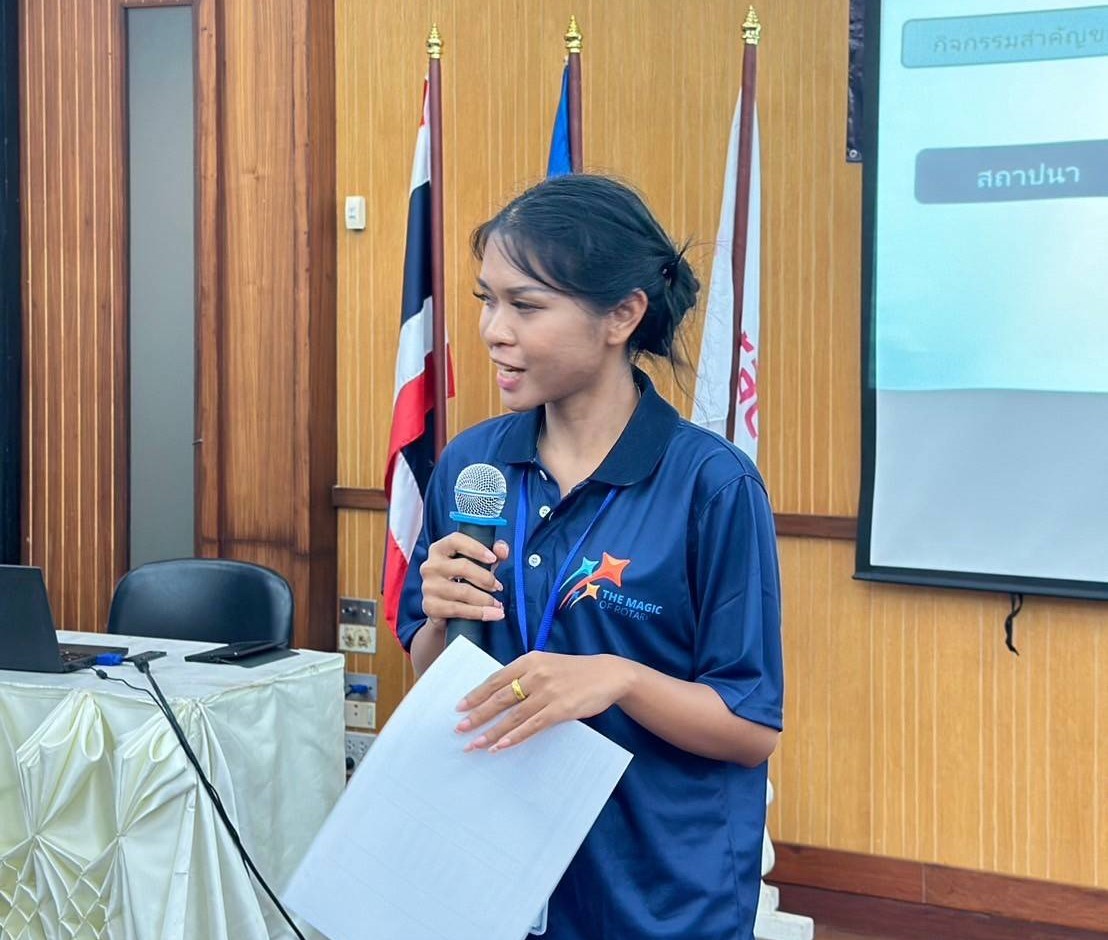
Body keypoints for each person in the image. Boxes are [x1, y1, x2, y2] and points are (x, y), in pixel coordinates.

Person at [397, 174, 784, 940]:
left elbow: (749, 726)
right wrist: (438, 622)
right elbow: (438, 675)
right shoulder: (473, 465)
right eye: (486, 300)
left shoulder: (712, 484)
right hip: (500, 871)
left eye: (526, 305)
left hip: (660, 893)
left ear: (622, 315)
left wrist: (620, 679)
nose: (493, 330)